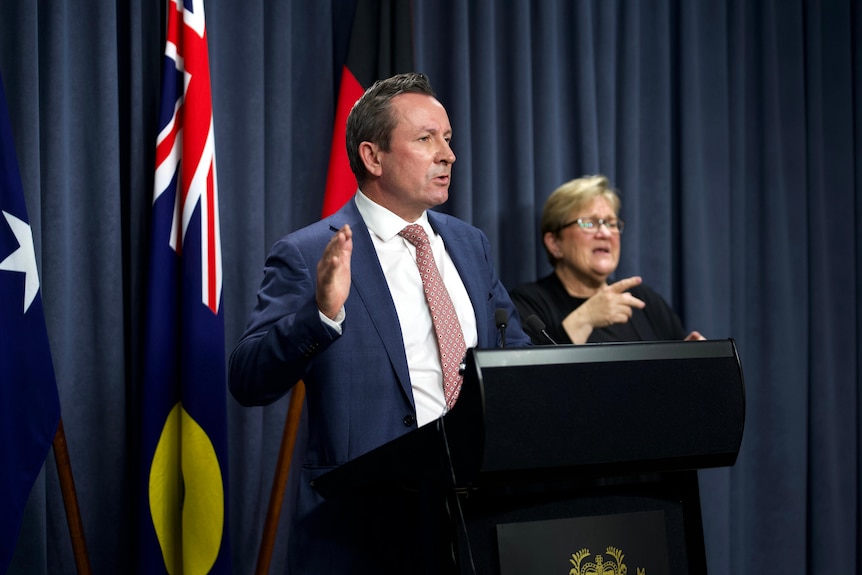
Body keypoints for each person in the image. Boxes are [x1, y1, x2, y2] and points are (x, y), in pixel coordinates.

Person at [229, 72, 531, 574]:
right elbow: (247, 379)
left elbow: (514, 356)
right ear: (373, 157)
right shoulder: (308, 254)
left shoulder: (469, 244)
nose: (448, 155)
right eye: (425, 139)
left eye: (448, 139)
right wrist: (320, 315)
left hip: (480, 516)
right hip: (365, 531)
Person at [510, 174, 704, 345]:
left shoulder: (642, 300)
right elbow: (533, 378)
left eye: (611, 223)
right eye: (589, 223)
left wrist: (689, 361)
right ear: (555, 243)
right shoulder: (529, 305)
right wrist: (586, 318)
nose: (604, 233)